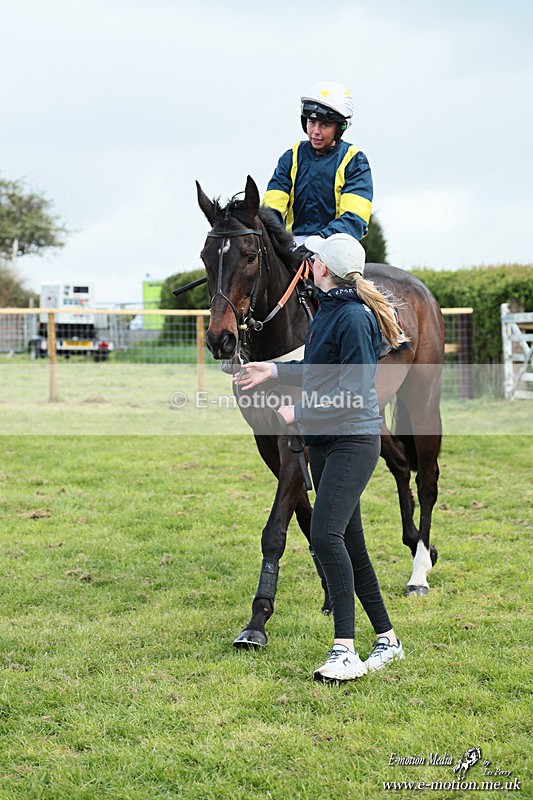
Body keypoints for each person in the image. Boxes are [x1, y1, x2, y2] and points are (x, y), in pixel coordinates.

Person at [234, 233, 407, 682]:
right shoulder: (328, 310)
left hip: (352, 440)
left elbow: (353, 392)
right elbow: (318, 367)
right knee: (352, 544)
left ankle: (344, 649)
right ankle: (387, 639)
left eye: (312, 259)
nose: (306, 263)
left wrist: (298, 409)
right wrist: (273, 369)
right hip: (326, 440)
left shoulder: (352, 317)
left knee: (326, 537)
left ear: (322, 268)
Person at [263, 81, 372, 260]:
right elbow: (271, 209)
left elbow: (354, 219)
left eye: (325, 125)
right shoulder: (291, 157)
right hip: (292, 247)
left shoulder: (355, 161)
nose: (315, 131)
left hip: (337, 247)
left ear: (340, 128)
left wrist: (318, 241)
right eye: (312, 122)